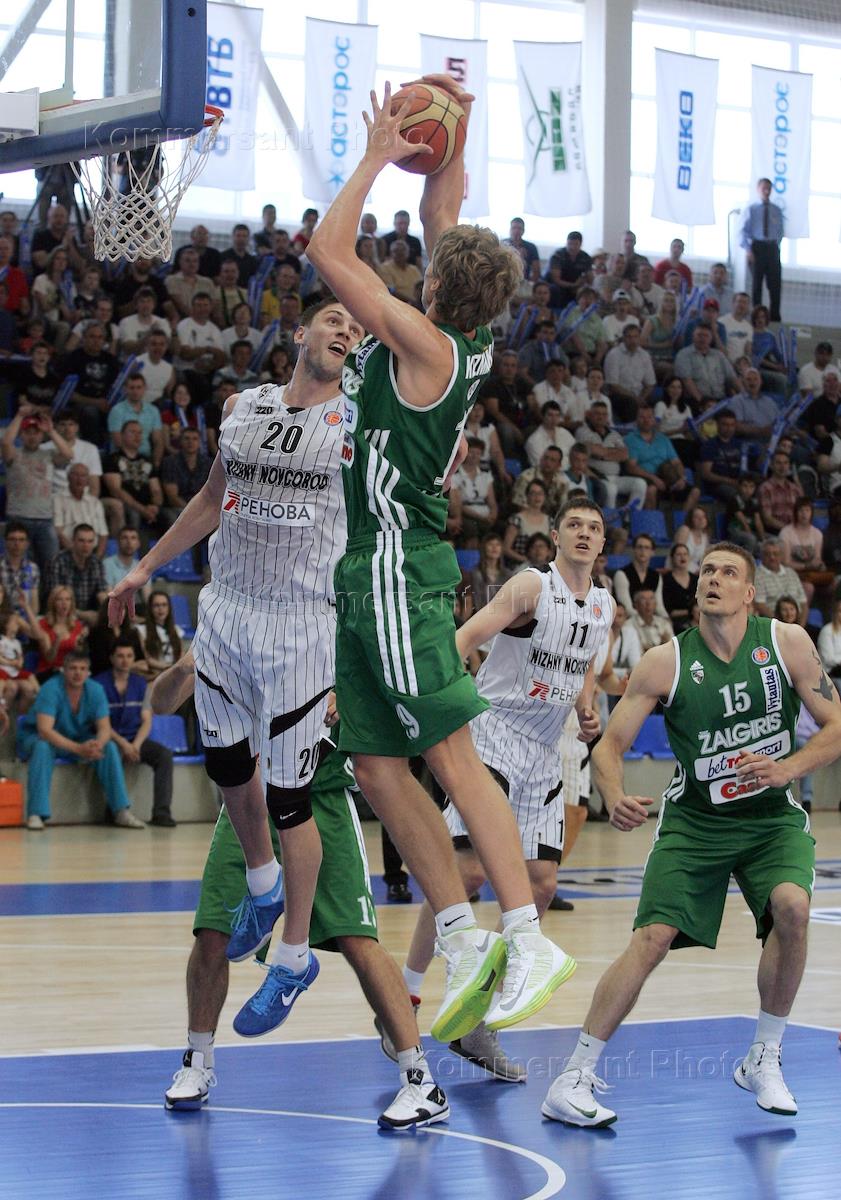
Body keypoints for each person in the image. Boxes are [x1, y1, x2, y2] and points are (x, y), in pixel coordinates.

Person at [307, 75, 573, 1059]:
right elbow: (444, 213)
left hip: (394, 564)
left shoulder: (422, 343)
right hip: (365, 572)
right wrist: (456, 125)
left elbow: (328, 252)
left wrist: (378, 151)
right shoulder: (464, 338)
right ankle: (461, 938)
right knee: (377, 766)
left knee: (451, 758)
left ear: (433, 291)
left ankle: (528, 937)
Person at [542, 541, 839, 1126]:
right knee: (652, 938)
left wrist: (787, 769)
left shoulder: (787, 643)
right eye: (707, 571)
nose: (713, 579)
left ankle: (764, 1056)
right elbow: (609, 746)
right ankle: (572, 1077)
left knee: (794, 908)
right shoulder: (664, 661)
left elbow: (836, 726)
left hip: (770, 818)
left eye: (728, 572)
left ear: (749, 593)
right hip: (696, 822)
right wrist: (613, 794)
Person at [148, 654, 446, 1128]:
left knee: (359, 941)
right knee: (213, 932)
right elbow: (160, 704)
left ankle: (420, 1079)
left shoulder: (336, 628)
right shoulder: (234, 626)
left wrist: (350, 694)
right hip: (252, 802)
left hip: (323, 799)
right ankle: (197, 1062)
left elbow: (389, 692)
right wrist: (185, 668)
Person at [401, 499, 610, 1078]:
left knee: (541, 886)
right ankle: (408, 993)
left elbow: (586, 662)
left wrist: (586, 706)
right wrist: (430, 696)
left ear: (602, 542)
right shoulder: (530, 587)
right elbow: (465, 636)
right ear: (555, 535)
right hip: (493, 735)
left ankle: (477, 1025)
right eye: (574, 525)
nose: (584, 534)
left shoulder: (603, 604)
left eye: (594, 528)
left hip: (543, 753)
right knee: (466, 873)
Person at [17, 650, 146, 831]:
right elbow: (45, 731)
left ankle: (121, 811)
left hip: (78, 737)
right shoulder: (50, 689)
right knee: (42, 747)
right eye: (73, 668)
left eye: (83, 669)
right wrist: (79, 749)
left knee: (109, 747)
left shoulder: (95, 690)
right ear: (63, 670)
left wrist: (97, 745)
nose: (78, 673)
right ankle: (36, 813)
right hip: (40, 738)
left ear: (88, 672)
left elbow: (104, 728)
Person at [94, 640, 175, 827]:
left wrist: (136, 745)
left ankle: (162, 813)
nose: (125, 660)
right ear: (112, 658)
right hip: (111, 738)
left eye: (129, 656)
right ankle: (113, 811)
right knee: (111, 752)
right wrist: (124, 744)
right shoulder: (98, 684)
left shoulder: (140, 684)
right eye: (120, 656)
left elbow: (146, 719)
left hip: (135, 739)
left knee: (164, 755)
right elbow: (101, 723)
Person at [2, 408, 72, 576]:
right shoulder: (14, 454)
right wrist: (19, 415)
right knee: (19, 568)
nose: (32, 436)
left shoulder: (49, 454)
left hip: (45, 519)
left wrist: (51, 431)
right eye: (28, 432)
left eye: (36, 433)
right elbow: (5, 443)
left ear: (42, 435)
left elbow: (69, 454)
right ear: (21, 435)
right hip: (18, 518)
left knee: (52, 567)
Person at [623, 403, 698, 511]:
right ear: (636, 420)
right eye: (642, 417)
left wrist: (682, 477)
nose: (646, 420)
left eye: (649, 417)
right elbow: (631, 467)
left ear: (654, 420)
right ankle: (652, 520)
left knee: (695, 492)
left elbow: (676, 462)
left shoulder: (663, 439)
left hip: (667, 477)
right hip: (646, 478)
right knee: (651, 489)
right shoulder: (630, 439)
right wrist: (653, 478)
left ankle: (683, 520)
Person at [44, 525, 107, 628]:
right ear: (73, 541)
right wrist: (83, 615)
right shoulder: (58, 561)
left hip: (90, 615)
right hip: (62, 615)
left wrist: (109, 610)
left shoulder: (96, 563)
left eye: (90, 541)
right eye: (81, 541)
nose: (86, 545)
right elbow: (54, 599)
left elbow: (102, 593)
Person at [739, 178, 784, 322]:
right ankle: (756, 315)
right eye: (764, 188)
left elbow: (780, 231)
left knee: (775, 284)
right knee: (756, 284)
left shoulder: (776, 210)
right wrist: (748, 250)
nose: (766, 191)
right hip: (757, 248)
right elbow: (742, 231)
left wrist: (776, 246)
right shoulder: (751, 209)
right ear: (758, 189)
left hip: (772, 248)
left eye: (769, 188)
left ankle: (775, 316)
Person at [53, 464, 108, 555]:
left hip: (93, 553)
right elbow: (58, 533)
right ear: (68, 477)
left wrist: (97, 558)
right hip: (68, 552)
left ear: (87, 480)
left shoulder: (95, 502)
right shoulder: (57, 499)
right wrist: (76, 555)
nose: (79, 479)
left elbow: (103, 534)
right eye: (75, 475)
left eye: (83, 476)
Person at [753, 539, 808, 626]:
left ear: (781, 556)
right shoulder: (757, 575)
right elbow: (760, 605)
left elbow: (803, 604)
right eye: (767, 554)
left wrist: (801, 627)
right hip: (773, 625)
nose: (772, 557)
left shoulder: (791, 573)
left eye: (775, 554)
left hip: (797, 624)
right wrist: (782, 625)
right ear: (762, 556)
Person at [612, 534, 668, 617]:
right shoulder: (621, 574)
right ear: (633, 550)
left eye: (647, 548)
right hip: (629, 620)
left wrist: (667, 619)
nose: (643, 551)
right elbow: (627, 608)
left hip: (649, 619)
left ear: (652, 552)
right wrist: (646, 620)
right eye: (639, 547)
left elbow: (659, 606)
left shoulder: (656, 576)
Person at [136, 591, 186, 678]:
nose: (161, 609)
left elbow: (181, 655)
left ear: (169, 608)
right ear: (150, 608)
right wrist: (168, 668)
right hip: (155, 673)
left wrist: (175, 668)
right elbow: (148, 659)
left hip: (175, 672)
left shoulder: (177, 630)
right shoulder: (142, 630)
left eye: (164, 605)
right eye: (156, 605)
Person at [503, 479, 552, 567]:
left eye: (540, 493)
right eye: (533, 493)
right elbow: (506, 548)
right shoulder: (517, 519)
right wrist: (526, 560)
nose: (537, 497)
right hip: (520, 565)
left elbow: (551, 549)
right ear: (527, 496)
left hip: (542, 566)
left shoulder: (549, 521)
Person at [660, 543, 697, 634]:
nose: (682, 557)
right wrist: (690, 611)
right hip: (675, 622)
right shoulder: (666, 580)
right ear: (672, 558)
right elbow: (668, 610)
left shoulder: (696, 579)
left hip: (696, 620)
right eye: (678, 554)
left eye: (685, 554)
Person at [726, 473, 764, 555]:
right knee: (751, 539)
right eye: (745, 486)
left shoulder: (754, 501)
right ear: (739, 486)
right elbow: (744, 523)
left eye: (751, 486)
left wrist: (764, 540)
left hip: (750, 531)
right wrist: (758, 541)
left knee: (772, 539)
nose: (748, 489)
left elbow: (758, 522)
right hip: (735, 532)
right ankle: (747, 560)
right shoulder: (735, 500)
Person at [674, 506, 711, 575]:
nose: (701, 519)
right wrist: (696, 571)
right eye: (697, 517)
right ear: (691, 519)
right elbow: (678, 554)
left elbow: (703, 559)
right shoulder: (685, 530)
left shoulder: (705, 536)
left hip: (693, 569)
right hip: (678, 567)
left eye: (703, 516)